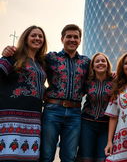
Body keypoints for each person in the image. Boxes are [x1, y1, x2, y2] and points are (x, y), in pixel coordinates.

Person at [40, 24, 90, 162]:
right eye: (69, 36)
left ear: (80, 40)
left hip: (75, 113)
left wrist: (114, 75)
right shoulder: (51, 57)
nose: (72, 39)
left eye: (76, 37)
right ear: (62, 39)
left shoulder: (86, 62)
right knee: (47, 154)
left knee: (69, 156)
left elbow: (95, 80)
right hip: (52, 111)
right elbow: (32, 67)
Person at [0, 25, 47, 161]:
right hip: (11, 117)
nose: (37, 38)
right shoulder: (14, 56)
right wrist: (4, 54)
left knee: (29, 157)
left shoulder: (40, 63)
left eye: (40, 36)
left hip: (33, 118)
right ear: (25, 38)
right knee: (9, 156)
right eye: (33, 35)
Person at [76, 52, 113, 162]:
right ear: (92, 66)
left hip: (106, 125)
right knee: (86, 157)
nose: (100, 63)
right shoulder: (87, 81)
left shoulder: (115, 81)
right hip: (87, 123)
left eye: (103, 61)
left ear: (107, 64)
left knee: (103, 158)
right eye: (97, 61)